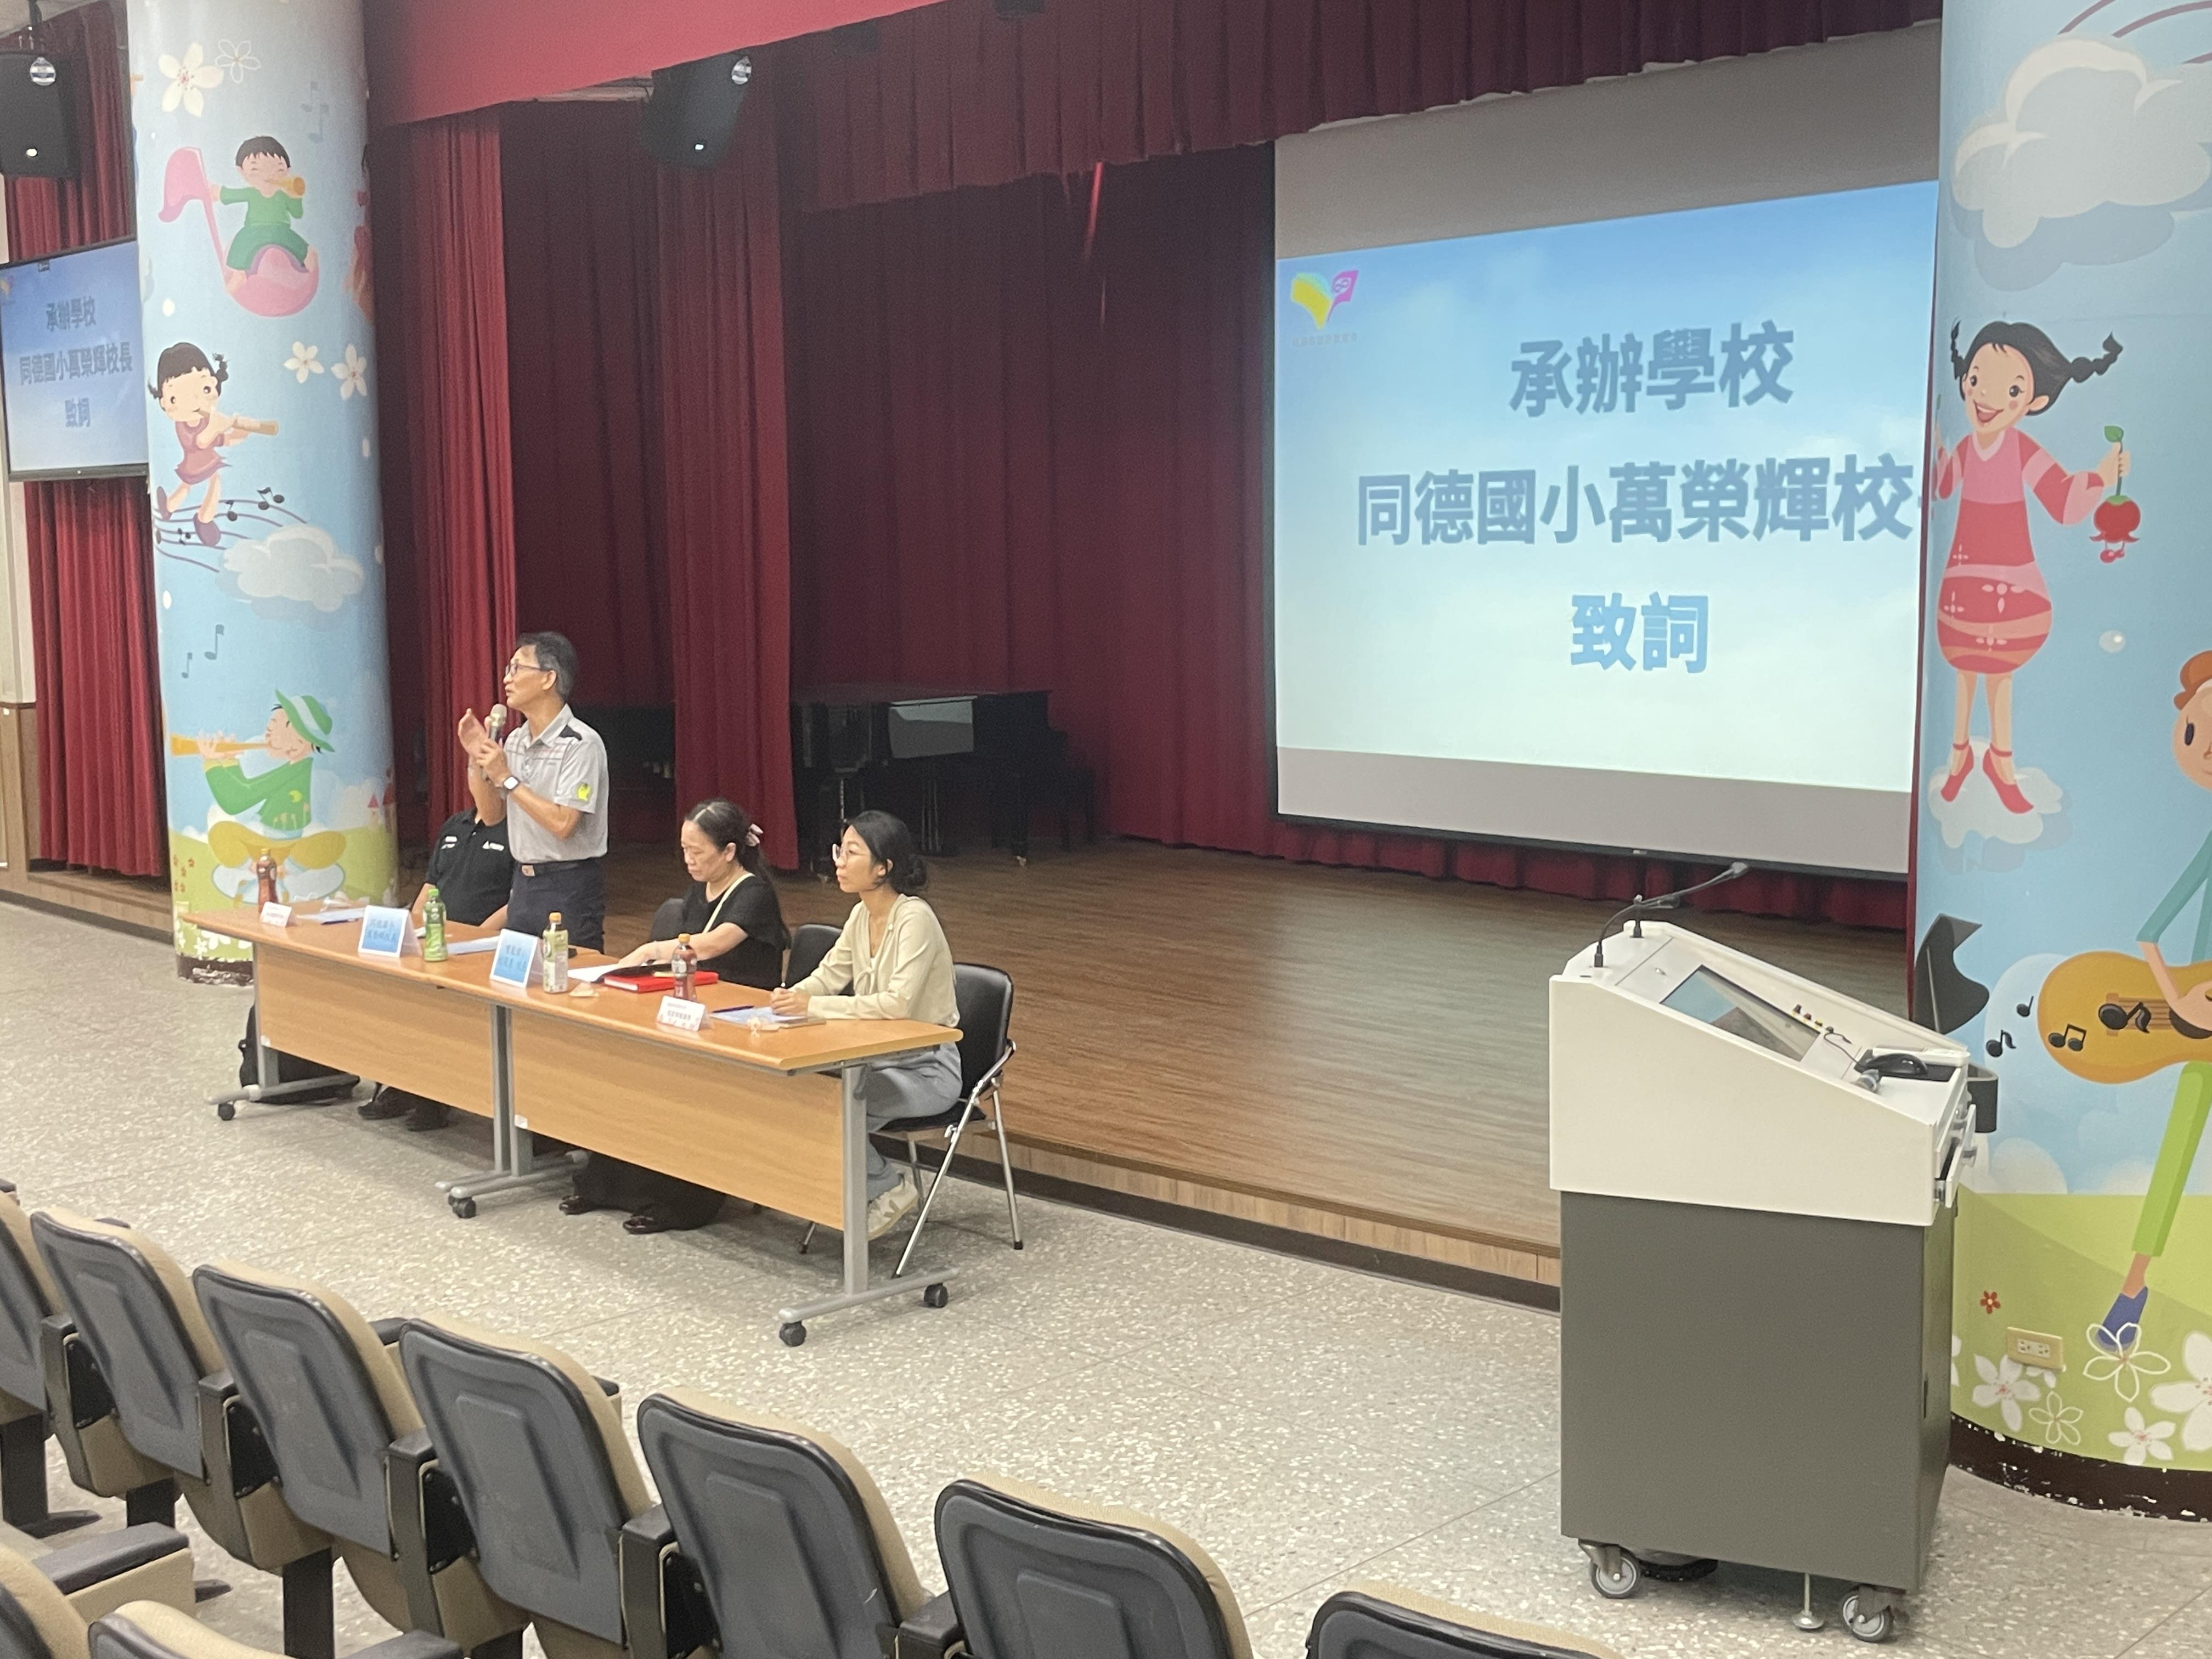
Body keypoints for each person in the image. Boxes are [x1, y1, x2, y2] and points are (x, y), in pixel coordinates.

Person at [563, 800, 791, 1233]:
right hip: (693, 1006)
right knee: (630, 1072)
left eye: (698, 851)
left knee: (685, 1088)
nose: (689, 860)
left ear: (729, 851)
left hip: (739, 1018)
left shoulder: (754, 893)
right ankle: (607, 1186)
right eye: (684, 850)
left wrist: (650, 950)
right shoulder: (698, 890)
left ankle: (683, 1203)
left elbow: (710, 945)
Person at [1932, 321, 2126, 815]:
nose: (1986, 397)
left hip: (2008, 579)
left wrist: (2102, 477)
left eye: (2011, 390)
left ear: (2034, 401)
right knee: (1963, 670)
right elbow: (1945, 484)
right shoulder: (1966, 446)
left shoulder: (2022, 449)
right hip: (1964, 578)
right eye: (1977, 379)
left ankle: (2000, 764)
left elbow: (2061, 500)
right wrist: (1936, 439)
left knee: (1998, 674)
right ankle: (1959, 758)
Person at [2095, 651, 2212, 1353]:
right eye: (2196, 733)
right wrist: (2183, 1003)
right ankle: (2130, 1295)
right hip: (2201, 1033)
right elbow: (2151, 932)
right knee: (2177, 1149)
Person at [771, 811, 961, 1240]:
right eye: (839, 850)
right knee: (805, 1100)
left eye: (851, 853)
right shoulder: (860, 915)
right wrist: (787, 1000)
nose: (838, 862)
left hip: (927, 1068)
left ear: (883, 867)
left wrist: (813, 1008)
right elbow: (827, 976)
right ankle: (853, 1190)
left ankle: (889, 1187)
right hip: (875, 1060)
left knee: (835, 1109)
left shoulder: (915, 917)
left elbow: (896, 1004)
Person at [357, 757, 514, 1131]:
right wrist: (410, 931)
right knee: (396, 991)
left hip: (481, 946)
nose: (484, 781)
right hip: (436, 940)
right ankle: (401, 1083)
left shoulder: (518, 835)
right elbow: (432, 885)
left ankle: (434, 1098)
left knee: (441, 1007)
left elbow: (518, 900)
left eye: (491, 774)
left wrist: (475, 938)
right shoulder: (454, 826)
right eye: (477, 773)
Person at [458, 631, 610, 951]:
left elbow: (563, 824)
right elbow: (492, 815)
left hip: (569, 884)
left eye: (518, 669)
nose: (507, 679)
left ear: (548, 679)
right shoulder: (515, 740)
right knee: (516, 975)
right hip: (522, 883)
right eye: (507, 669)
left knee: (567, 975)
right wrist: (477, 759)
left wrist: (507, 778)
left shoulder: (580, 744)